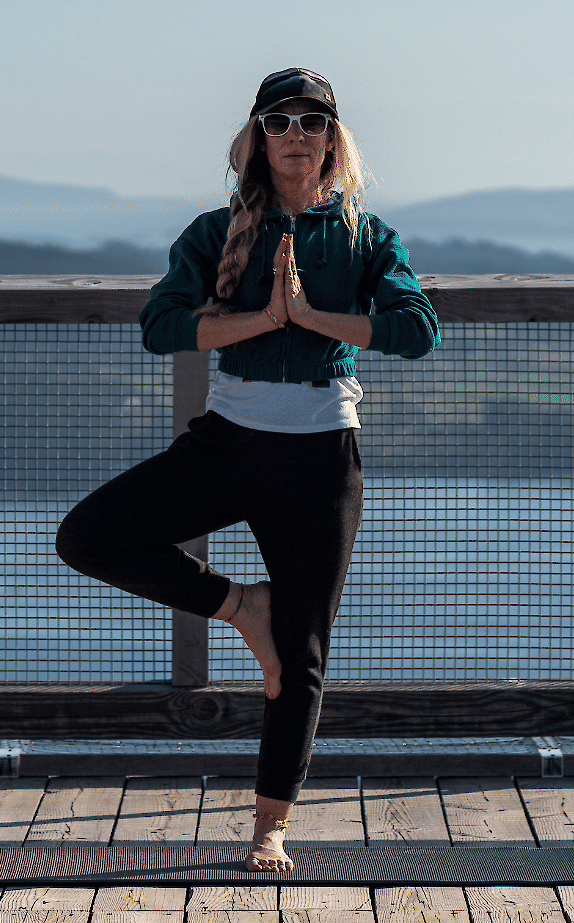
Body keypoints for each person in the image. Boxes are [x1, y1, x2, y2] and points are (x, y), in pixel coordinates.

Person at [54, 67, 438, 872]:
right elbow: (161, 328)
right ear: (257, 137)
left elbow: (415, 330)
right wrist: (259, 319)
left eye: (312, 121)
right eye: (279, 120)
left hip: (321, 452)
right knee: (90, 537)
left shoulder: (367, 236)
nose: (296, 134)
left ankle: (271, 830)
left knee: (301, 654)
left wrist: (307, 317)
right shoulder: (214, 230)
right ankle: (239, 606)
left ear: (334, 138)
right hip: (229, 439)